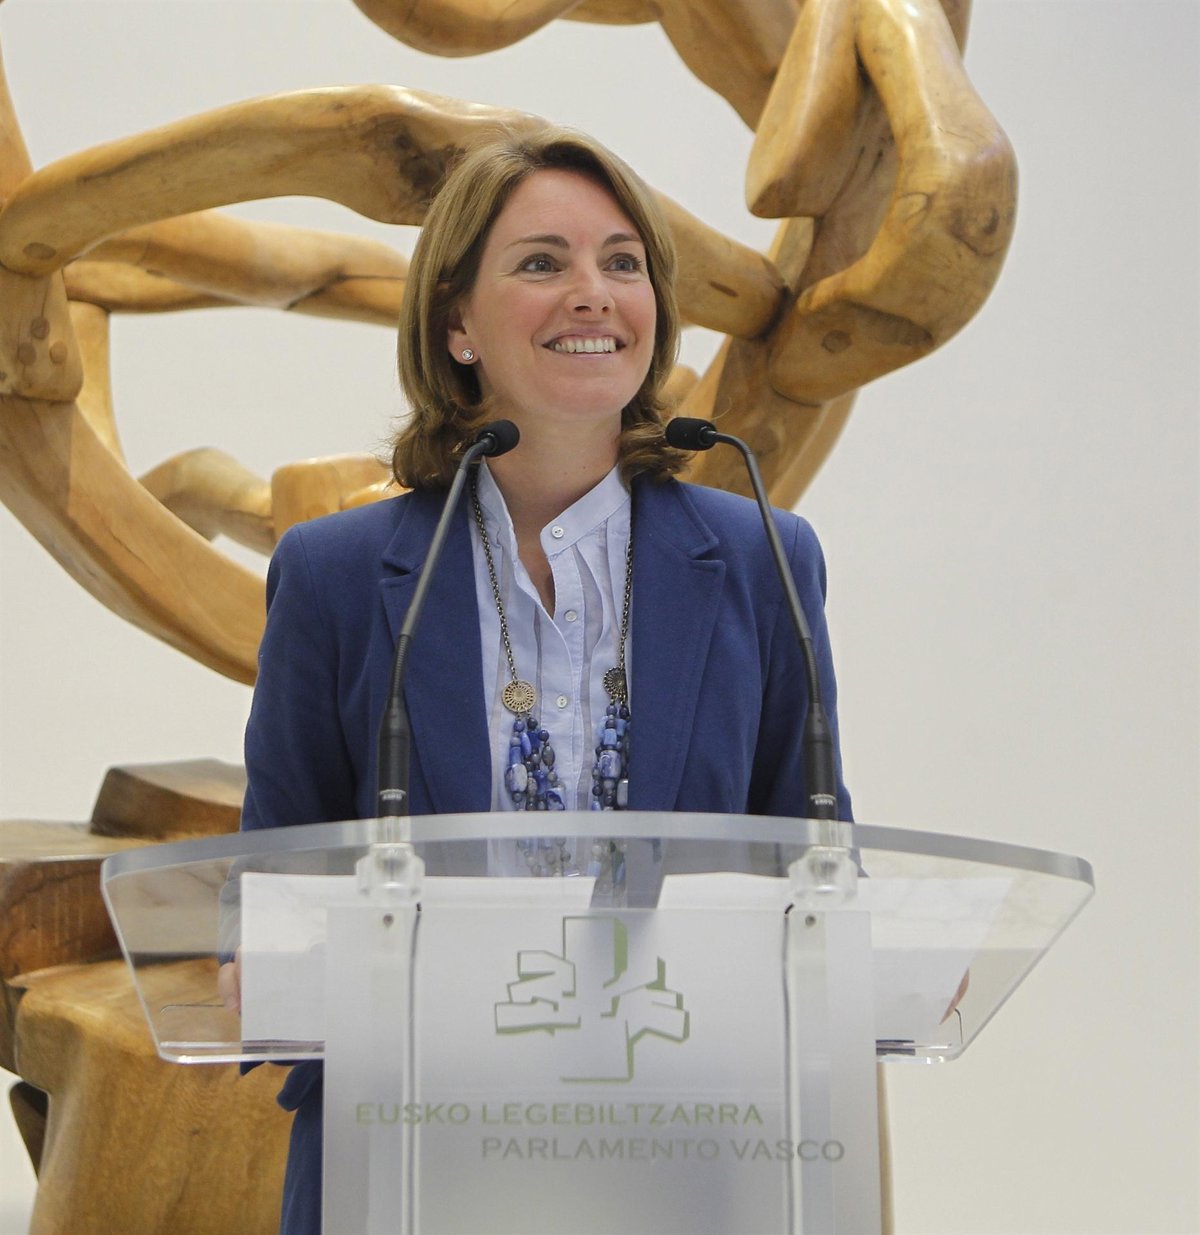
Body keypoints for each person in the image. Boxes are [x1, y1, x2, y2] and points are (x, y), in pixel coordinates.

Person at [238, 125, 852, 1235]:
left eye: (623, 263)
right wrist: (263, 955)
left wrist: (875, 955)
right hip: (406, 1147)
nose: (593, 293)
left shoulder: (762, 556)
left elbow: (809, 855)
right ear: (456, 325)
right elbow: (279, 875)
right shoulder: (337, 575)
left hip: (690, 1144)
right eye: (541, 262)